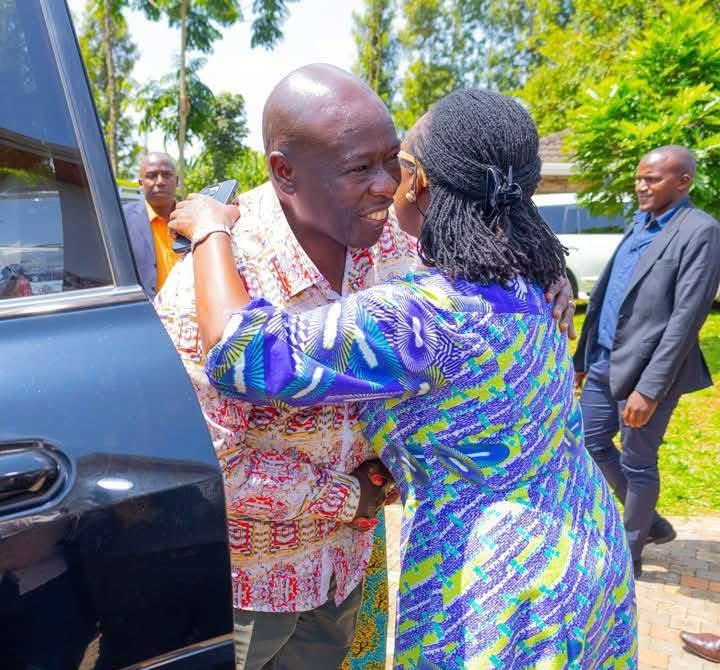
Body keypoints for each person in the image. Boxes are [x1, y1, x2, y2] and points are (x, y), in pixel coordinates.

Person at [170, 87, 634, 669]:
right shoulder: (526, 275)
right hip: (585, 540)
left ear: (422, 185)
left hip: (500, 582)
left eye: (398, 162)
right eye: (366, 165)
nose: (387, 183)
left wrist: (211, 230)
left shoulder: (428, 314)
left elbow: (242, 353)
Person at [574, 145, 720, 578]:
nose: (641, 185)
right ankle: (649, 522)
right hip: (602, 362)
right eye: (639, 178)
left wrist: (650, 388)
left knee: (639, 462)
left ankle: (631, 552)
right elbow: (603, 298)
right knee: (589, 441)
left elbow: (687, 318)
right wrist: (582, 357)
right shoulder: (639, 225)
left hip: (646, 373)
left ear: (683, 182)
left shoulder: (700, 231)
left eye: (652, 179)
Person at [123, 152, 179, 298]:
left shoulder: (196, 219)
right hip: (146, 316)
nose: (160, 181)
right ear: (141, 182)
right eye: (152, 176)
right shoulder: (122, 221)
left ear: (177, 181)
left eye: (167, 175)